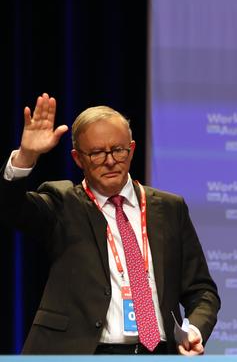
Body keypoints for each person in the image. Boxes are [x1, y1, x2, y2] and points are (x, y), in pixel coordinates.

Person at [1, 93, 220, 355]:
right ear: (77, 158)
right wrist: (26, 157)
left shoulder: (170, 208)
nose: (110, 160)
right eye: (96, 153)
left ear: (132, 149)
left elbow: (202, 290)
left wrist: (194, 330)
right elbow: (10, 208)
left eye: (118, 150)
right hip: (83, 351)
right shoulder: (62, 203)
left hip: (158, 353)